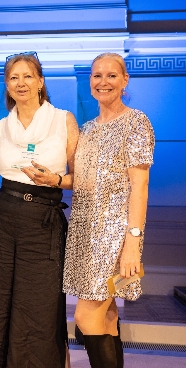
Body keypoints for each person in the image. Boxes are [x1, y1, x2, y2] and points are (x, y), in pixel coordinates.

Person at [0, 51, 79, 367]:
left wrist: (55, 180)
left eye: (28, 76)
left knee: (39, 308)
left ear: (40, 81)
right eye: (14, 77)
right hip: (4, 219)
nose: (21, 83)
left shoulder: (63, 120)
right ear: (7, 85)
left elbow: (81, 178)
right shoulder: (2, 126)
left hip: (43, 220)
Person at [63, 52, 155, 367]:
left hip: (115, 237)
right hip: (85, 235)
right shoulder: (88, 128)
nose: (103, 82)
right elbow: (84, 181)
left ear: (125, 80)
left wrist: (132, 244)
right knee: (107, 317)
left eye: (112, 75)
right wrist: (54, 180)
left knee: (85, 317)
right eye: (97, 75)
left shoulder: (136, 121)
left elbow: (140, 186)